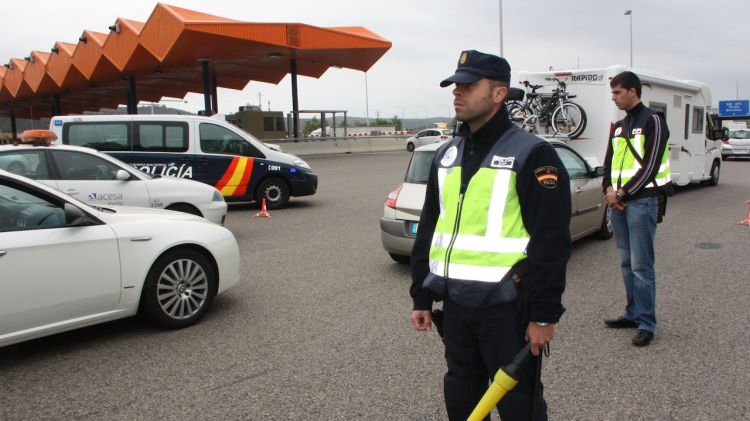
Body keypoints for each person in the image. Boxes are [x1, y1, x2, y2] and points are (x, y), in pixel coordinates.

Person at [409, 50, 571, 421]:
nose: (457, 92)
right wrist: (421, 294)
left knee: (519, 405)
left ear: (499, 94)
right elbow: (431, 226)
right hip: (456, 308)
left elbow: (551, 243)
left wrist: (544, 316)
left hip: (507, 310)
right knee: (462, 398)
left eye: (468, 85)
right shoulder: (446, 154)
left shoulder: (532, 154)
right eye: (455, 85)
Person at [602, 71, 672, 347]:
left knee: (642, 266)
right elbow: (609, 165)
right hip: (618, 203)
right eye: (612, 93)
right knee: (626, 262)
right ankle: (632, 313)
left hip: (641, 202)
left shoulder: (653, 120)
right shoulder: (618, 126)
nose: (614, 97)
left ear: (633, 91)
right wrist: (609, 190)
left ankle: (646, 322)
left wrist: (622, 192)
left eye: (618, 92)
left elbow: (651, 164)